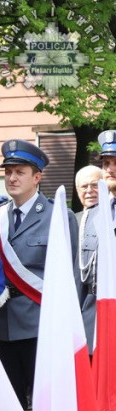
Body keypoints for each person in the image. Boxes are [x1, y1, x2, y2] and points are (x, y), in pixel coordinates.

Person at [0, 140, 79, 409]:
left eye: (20, 172)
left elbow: (71, 276)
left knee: (46, 406)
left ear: (37, 177)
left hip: (41, 326)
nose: (12, 178)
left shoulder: (58, 216)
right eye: (8, 172)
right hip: (1, 325)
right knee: (8, 408)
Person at [80, 139, 116, 350]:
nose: (110, 169)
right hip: (94, 318)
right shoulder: (90, 216)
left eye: (115, 163)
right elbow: (81, 276)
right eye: (106, 164)